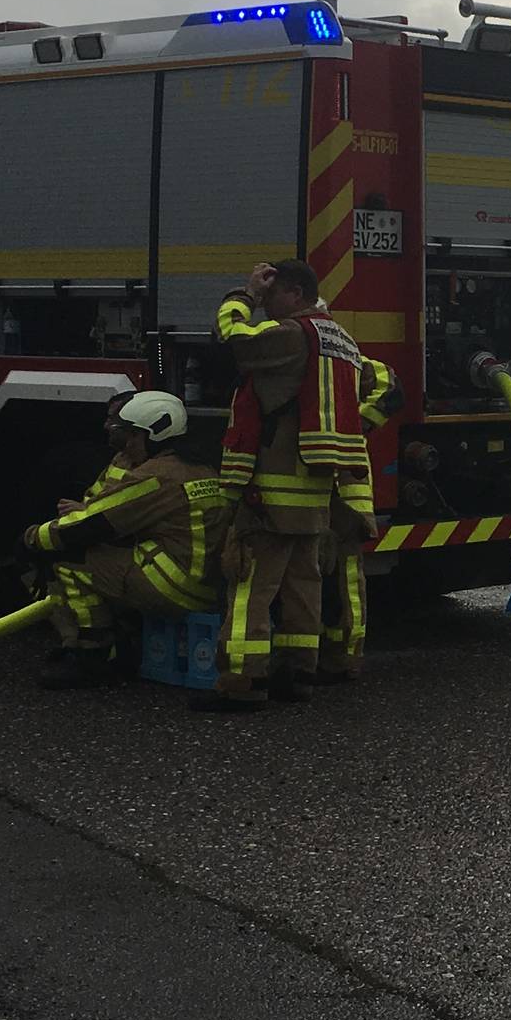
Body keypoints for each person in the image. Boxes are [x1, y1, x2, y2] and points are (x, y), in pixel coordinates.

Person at [207, 259, 365, 713]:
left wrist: (245, 296)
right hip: (313, 487)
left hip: (272, 489)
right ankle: (298, 673)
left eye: (274, 296)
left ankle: (242, 681)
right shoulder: (341, 338)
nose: (270, 305)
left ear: (294, 293)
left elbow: (235, 340)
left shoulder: (295, 334)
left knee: (250, 583)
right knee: (303, 583)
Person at [22, 391, 228, 689]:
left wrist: (31, 538)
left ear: (154, 435)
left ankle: (93, 652)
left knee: (67, 559)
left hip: (177, 587)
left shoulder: (156, 476)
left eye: (133, 437)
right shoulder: (199, 467)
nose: (128, 446)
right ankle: (126, 634)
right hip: (208, 587)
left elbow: (92, 523)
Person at [312, 353, 399, 683]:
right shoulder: (297, 357)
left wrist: (355, 425)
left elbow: (392, 387)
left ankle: (346, 655)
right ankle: (327, 649)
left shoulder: (337, 357)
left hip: (346, 495)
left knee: (345, 577)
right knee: (320, 576)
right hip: (318, 490)